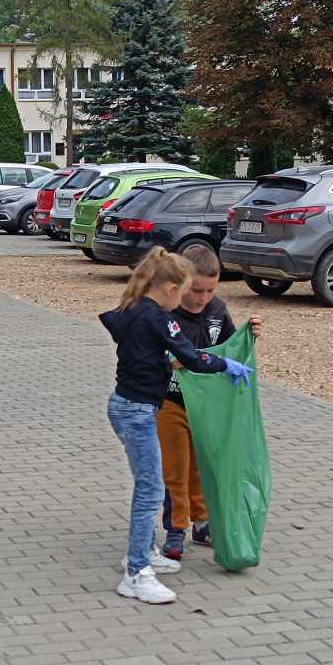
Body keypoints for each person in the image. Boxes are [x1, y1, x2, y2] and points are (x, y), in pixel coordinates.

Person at [96, 249, 252, 605]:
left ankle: (145, 552)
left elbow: (136, 347)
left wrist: (162, 361)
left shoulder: (133, 308)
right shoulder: (158, 318)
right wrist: (225, 365)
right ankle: (136, 573)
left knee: (148, 485)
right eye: (182, 293)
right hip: (137, 412)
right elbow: (193, 357)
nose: (182, 301)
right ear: (169, 289)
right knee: (151, 491)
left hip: (126, 406)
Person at [158, 249, 262, 561]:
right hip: (171, 401)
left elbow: (229, 346)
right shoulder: (165, 314)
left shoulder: (217, 310)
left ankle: (202, 522)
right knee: (176, 468)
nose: (202, 298)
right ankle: (176, 528)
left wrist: (249, 335)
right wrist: (167, 361)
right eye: (196, 290)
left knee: (203, 464)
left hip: (206, 405)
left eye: (210, 290)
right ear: (180, 284)